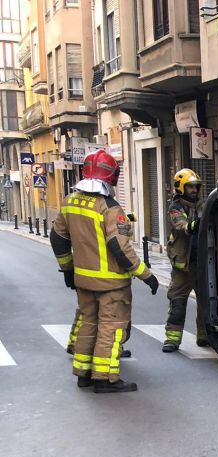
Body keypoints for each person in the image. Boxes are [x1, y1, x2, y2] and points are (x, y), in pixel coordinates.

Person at [50, 149, 159, 393]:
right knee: (111, 329)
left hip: (84, 281)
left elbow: (57, 238)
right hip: (111, 284)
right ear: (111, 177)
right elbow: (119, 247)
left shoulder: (70, 202)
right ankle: (106, 379)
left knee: (88, 323)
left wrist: (67, 269)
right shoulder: (109, 207)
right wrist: (147, 275)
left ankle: (83, 374)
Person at [162, 168, 206, 353]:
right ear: (181, 188)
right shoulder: (175, 208)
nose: (194, 190)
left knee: (207, 302)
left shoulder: (204, 205)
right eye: (190, 187)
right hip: (183, 267)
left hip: (203, 263)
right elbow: (182, 226)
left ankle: (205, 336)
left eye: (196, 187)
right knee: (178, 303)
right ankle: (172, 339)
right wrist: (196, 224)